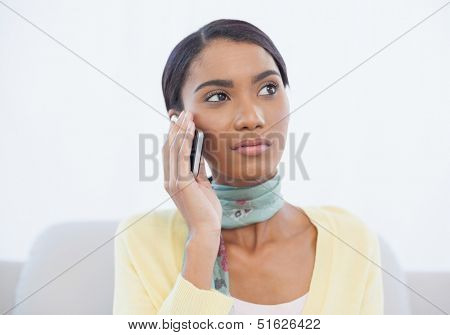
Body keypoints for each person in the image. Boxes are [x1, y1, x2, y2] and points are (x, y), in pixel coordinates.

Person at [113, 19, 383, 315]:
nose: (251, 117)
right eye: (218, 96)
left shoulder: (350, 238)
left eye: (268, 88)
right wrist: (203, 238)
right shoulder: (142, 240)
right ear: (181, 126)